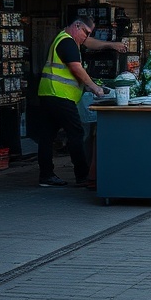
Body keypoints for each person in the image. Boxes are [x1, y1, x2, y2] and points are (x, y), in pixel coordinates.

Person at [37, 16, 125, 188]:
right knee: (76, 133)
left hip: (48, 93)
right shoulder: (67, 42)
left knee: (47, 136)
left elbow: (90, 42)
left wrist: (111, 45)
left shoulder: (67, 38)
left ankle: (46, 175)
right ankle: (83, 175)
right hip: (60, 96)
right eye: (85, 32)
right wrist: (94, 87)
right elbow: (76, 68)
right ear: (77, 26)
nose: (86, 37)